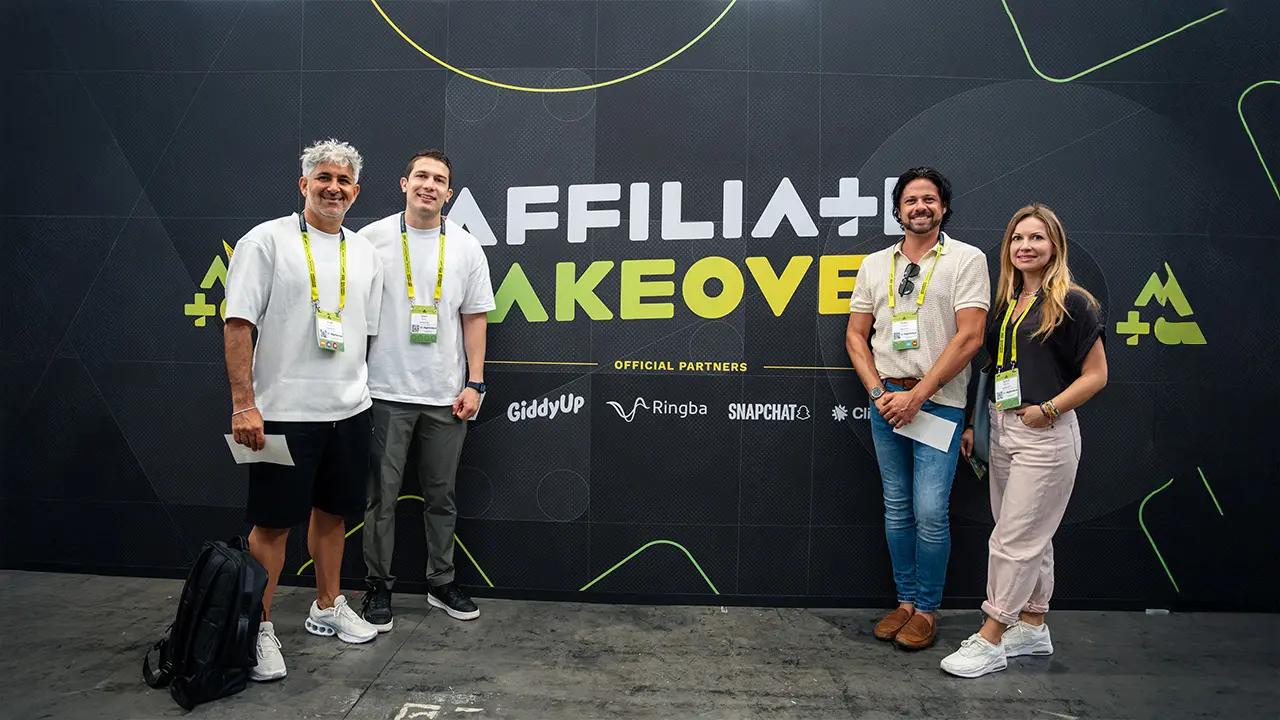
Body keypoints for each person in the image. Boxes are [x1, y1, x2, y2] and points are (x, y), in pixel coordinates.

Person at [223, 139, 384, 681]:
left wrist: (358, 394)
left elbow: (366, 331)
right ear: (304, 186)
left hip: (348, 410)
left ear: (356, 192)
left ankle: (327, 606)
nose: (333, 188)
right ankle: (257, 627)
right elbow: (238, 324)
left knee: (335, 514)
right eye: (323, 179)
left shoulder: (364, 252)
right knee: (270, 526)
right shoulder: (265, 241)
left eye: (343, 181)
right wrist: (244, 404)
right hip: (282, 413)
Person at [941, 203, 1107, 678]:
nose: (1025, 247)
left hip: (1045, 433)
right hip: (1003, 427)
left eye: (1036, 238)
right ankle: (1032, 624)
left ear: (1055, 245)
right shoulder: (1006, 303)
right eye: (1017, 239)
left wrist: (1050, 409)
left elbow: (1097, 375)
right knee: (1031, 535)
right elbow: (993, 371)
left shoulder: (1074, 302)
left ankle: (992, 635)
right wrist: (978, 423)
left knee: (1013, 539)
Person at [845, 167, 990, 650]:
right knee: (896, 508)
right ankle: (905, 602)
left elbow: (970, 337)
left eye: (928, 199)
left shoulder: (967, 261)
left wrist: (918, 395)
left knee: (930, 511)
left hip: (940, 404)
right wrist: (878, 393)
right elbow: (855, 335)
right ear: (898, 210)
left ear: (943, 207)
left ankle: (927, 609)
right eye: (910, 201)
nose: (919, 207)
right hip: (885, 402)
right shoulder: (873, 265)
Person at [358, 149, 496, 631]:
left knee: (443, 497)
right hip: (383, 393)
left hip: (445, 396)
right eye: (421, 176)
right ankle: (377, 587)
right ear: (403, 182)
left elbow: (474, 317)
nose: (429, 185)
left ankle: (441, 582)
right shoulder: (369, 240)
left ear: (449, 193)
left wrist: (475, 382)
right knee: (381, 500)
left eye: (439, 179)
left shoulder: (465, 245)